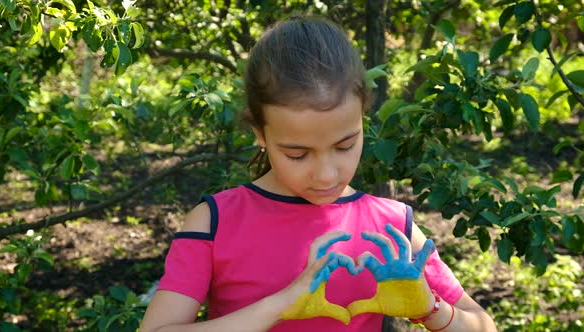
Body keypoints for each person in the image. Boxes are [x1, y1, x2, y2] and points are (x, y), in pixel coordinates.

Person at [140, 15, 497, 332]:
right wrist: (282, 304)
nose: (326, 175)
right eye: (297, 154)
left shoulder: (390, 229)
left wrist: (430, 309)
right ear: (260, 133)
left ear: (362, 117)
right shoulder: (214, 222)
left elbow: (482, 326)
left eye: (345, 146)